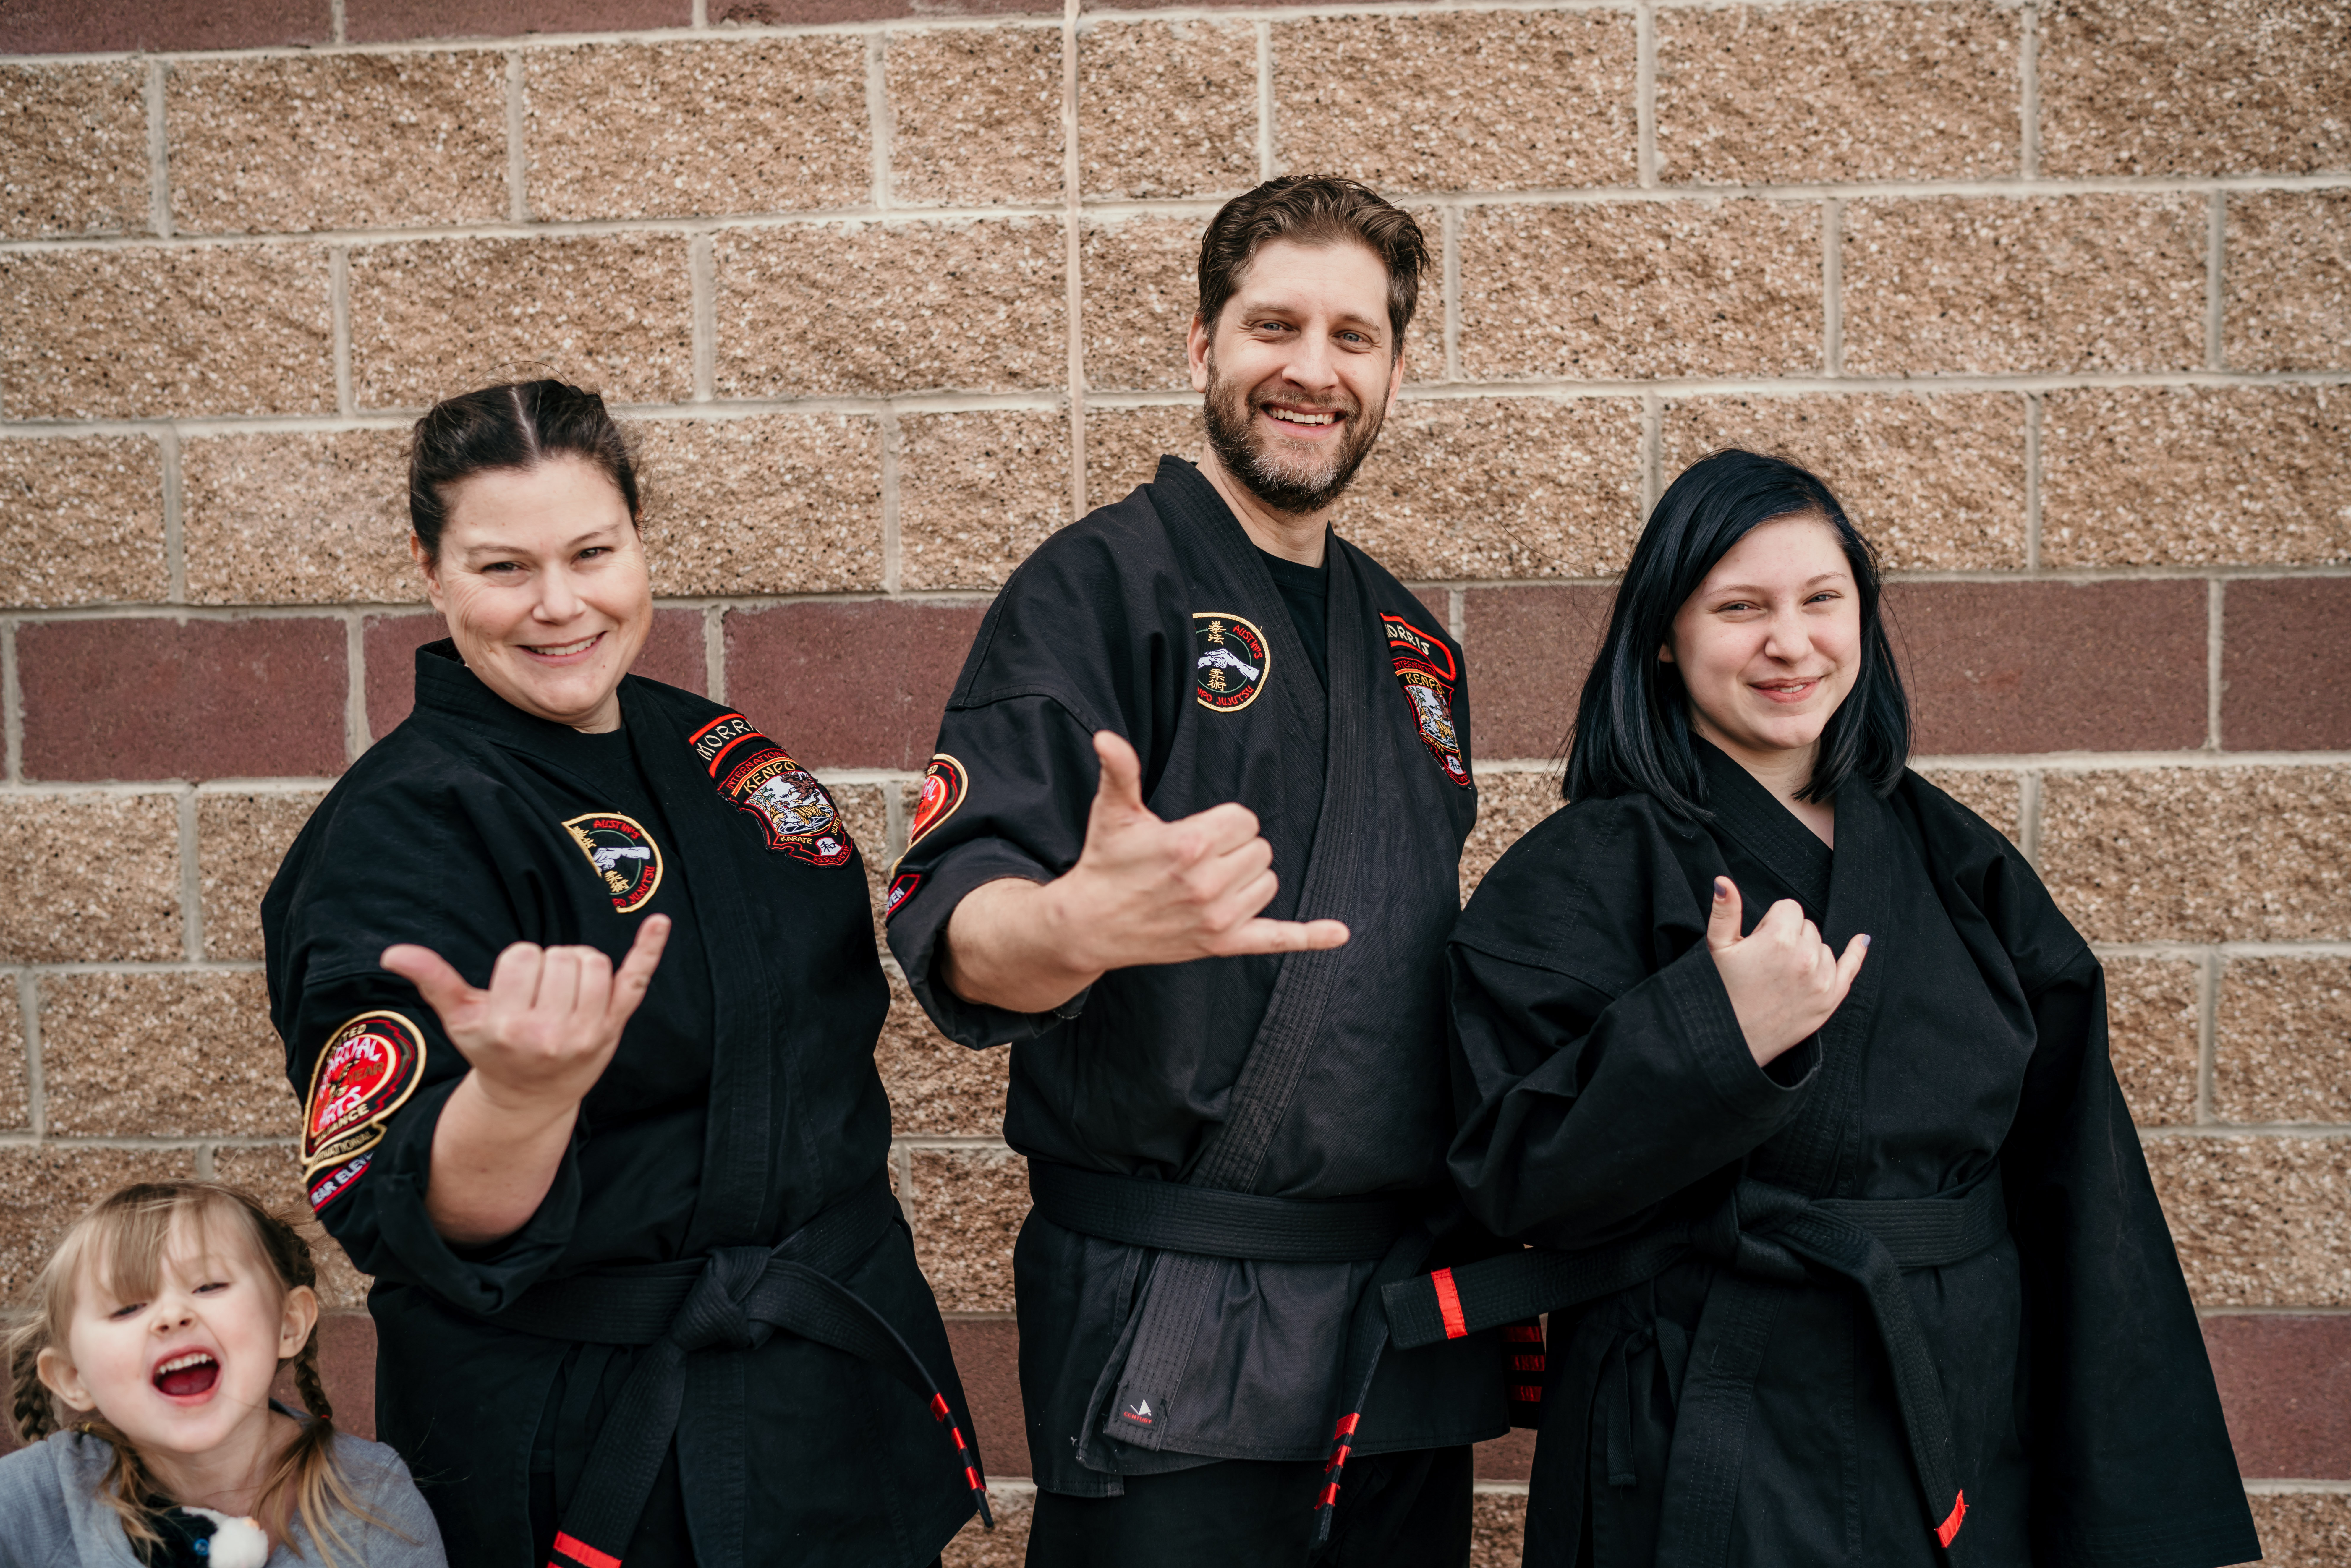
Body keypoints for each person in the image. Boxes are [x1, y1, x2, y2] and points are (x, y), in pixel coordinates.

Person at [1383, 449, 2259, 1565]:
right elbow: (1512, 1174)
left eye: (1820, 600)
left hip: (1949, 1413)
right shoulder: (1581, 871)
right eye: (1740, 608)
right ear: (1664, 634)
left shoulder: (1957, 863)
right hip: (1694, 1416)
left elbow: (2083, 1187)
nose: (1790, 644)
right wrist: (1716, 1035)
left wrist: (2132, 1518)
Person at [884, 175, 1508, 1568]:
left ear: (1395, 369)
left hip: (1390, 1329)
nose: (1312, 369)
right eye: (1273, 325)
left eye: (1353, 336)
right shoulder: (1096, 588)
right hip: (1170, 1315)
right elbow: (959, 922)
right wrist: (1076, 923)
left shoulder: (1414, 649)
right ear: (1201, 346)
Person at [260, 380, 987, 1568]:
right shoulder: (395, 835)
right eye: (504, 568)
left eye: (591, 553)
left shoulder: (725, 755)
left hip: (826, 1404)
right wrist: (521, 1099)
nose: (559, 604)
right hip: (585, 1430)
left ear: (639, 540)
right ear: (430, 572)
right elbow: (417, 1213)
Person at [1, 1180, 444, 1567]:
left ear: (288, 1324)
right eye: (127, 1307)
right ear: (73, 1377)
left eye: (209, 1286)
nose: (172, 1315)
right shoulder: (24, 1505)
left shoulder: (372, 1498)